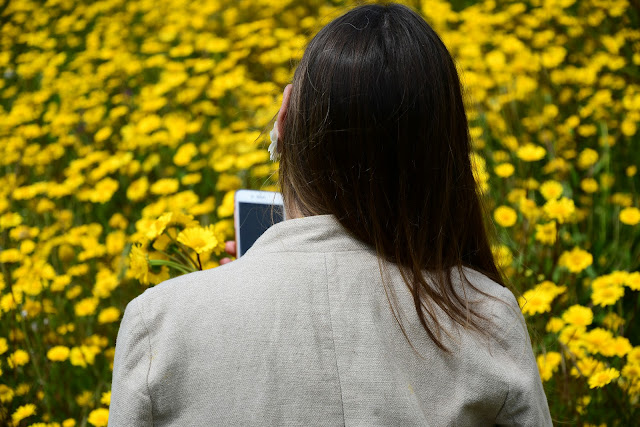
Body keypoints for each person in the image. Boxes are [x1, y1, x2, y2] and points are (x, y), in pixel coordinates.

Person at [109, 3, 552, 426]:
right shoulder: (485, 315)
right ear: (445, 154)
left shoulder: (160, 322)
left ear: (283, 120)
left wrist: (224, 300)